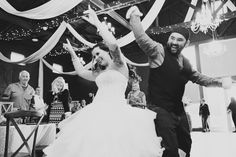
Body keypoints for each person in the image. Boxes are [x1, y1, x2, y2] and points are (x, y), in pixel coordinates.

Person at [43, 6, 163, 157]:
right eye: (93, 56)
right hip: (96, 112)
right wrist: (72, 52)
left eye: (98, 53)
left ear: (107, 51)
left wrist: (97, 23)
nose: (95, 58)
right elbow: (80, 72)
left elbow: (113, 44)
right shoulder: (97, 73)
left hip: (117, 112)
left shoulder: (119, 64)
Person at [127, 6, 231, 157]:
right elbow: (141, 37)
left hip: (178, 111)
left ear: (186, 43)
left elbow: (201, 78)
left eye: (179, 39)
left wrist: (221, 83)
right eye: (172, 38)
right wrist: (135, 16)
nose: (174, 42)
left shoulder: (186, 63)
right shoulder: (159, 51)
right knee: (170, 148)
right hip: (159, 108)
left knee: (186, 145)